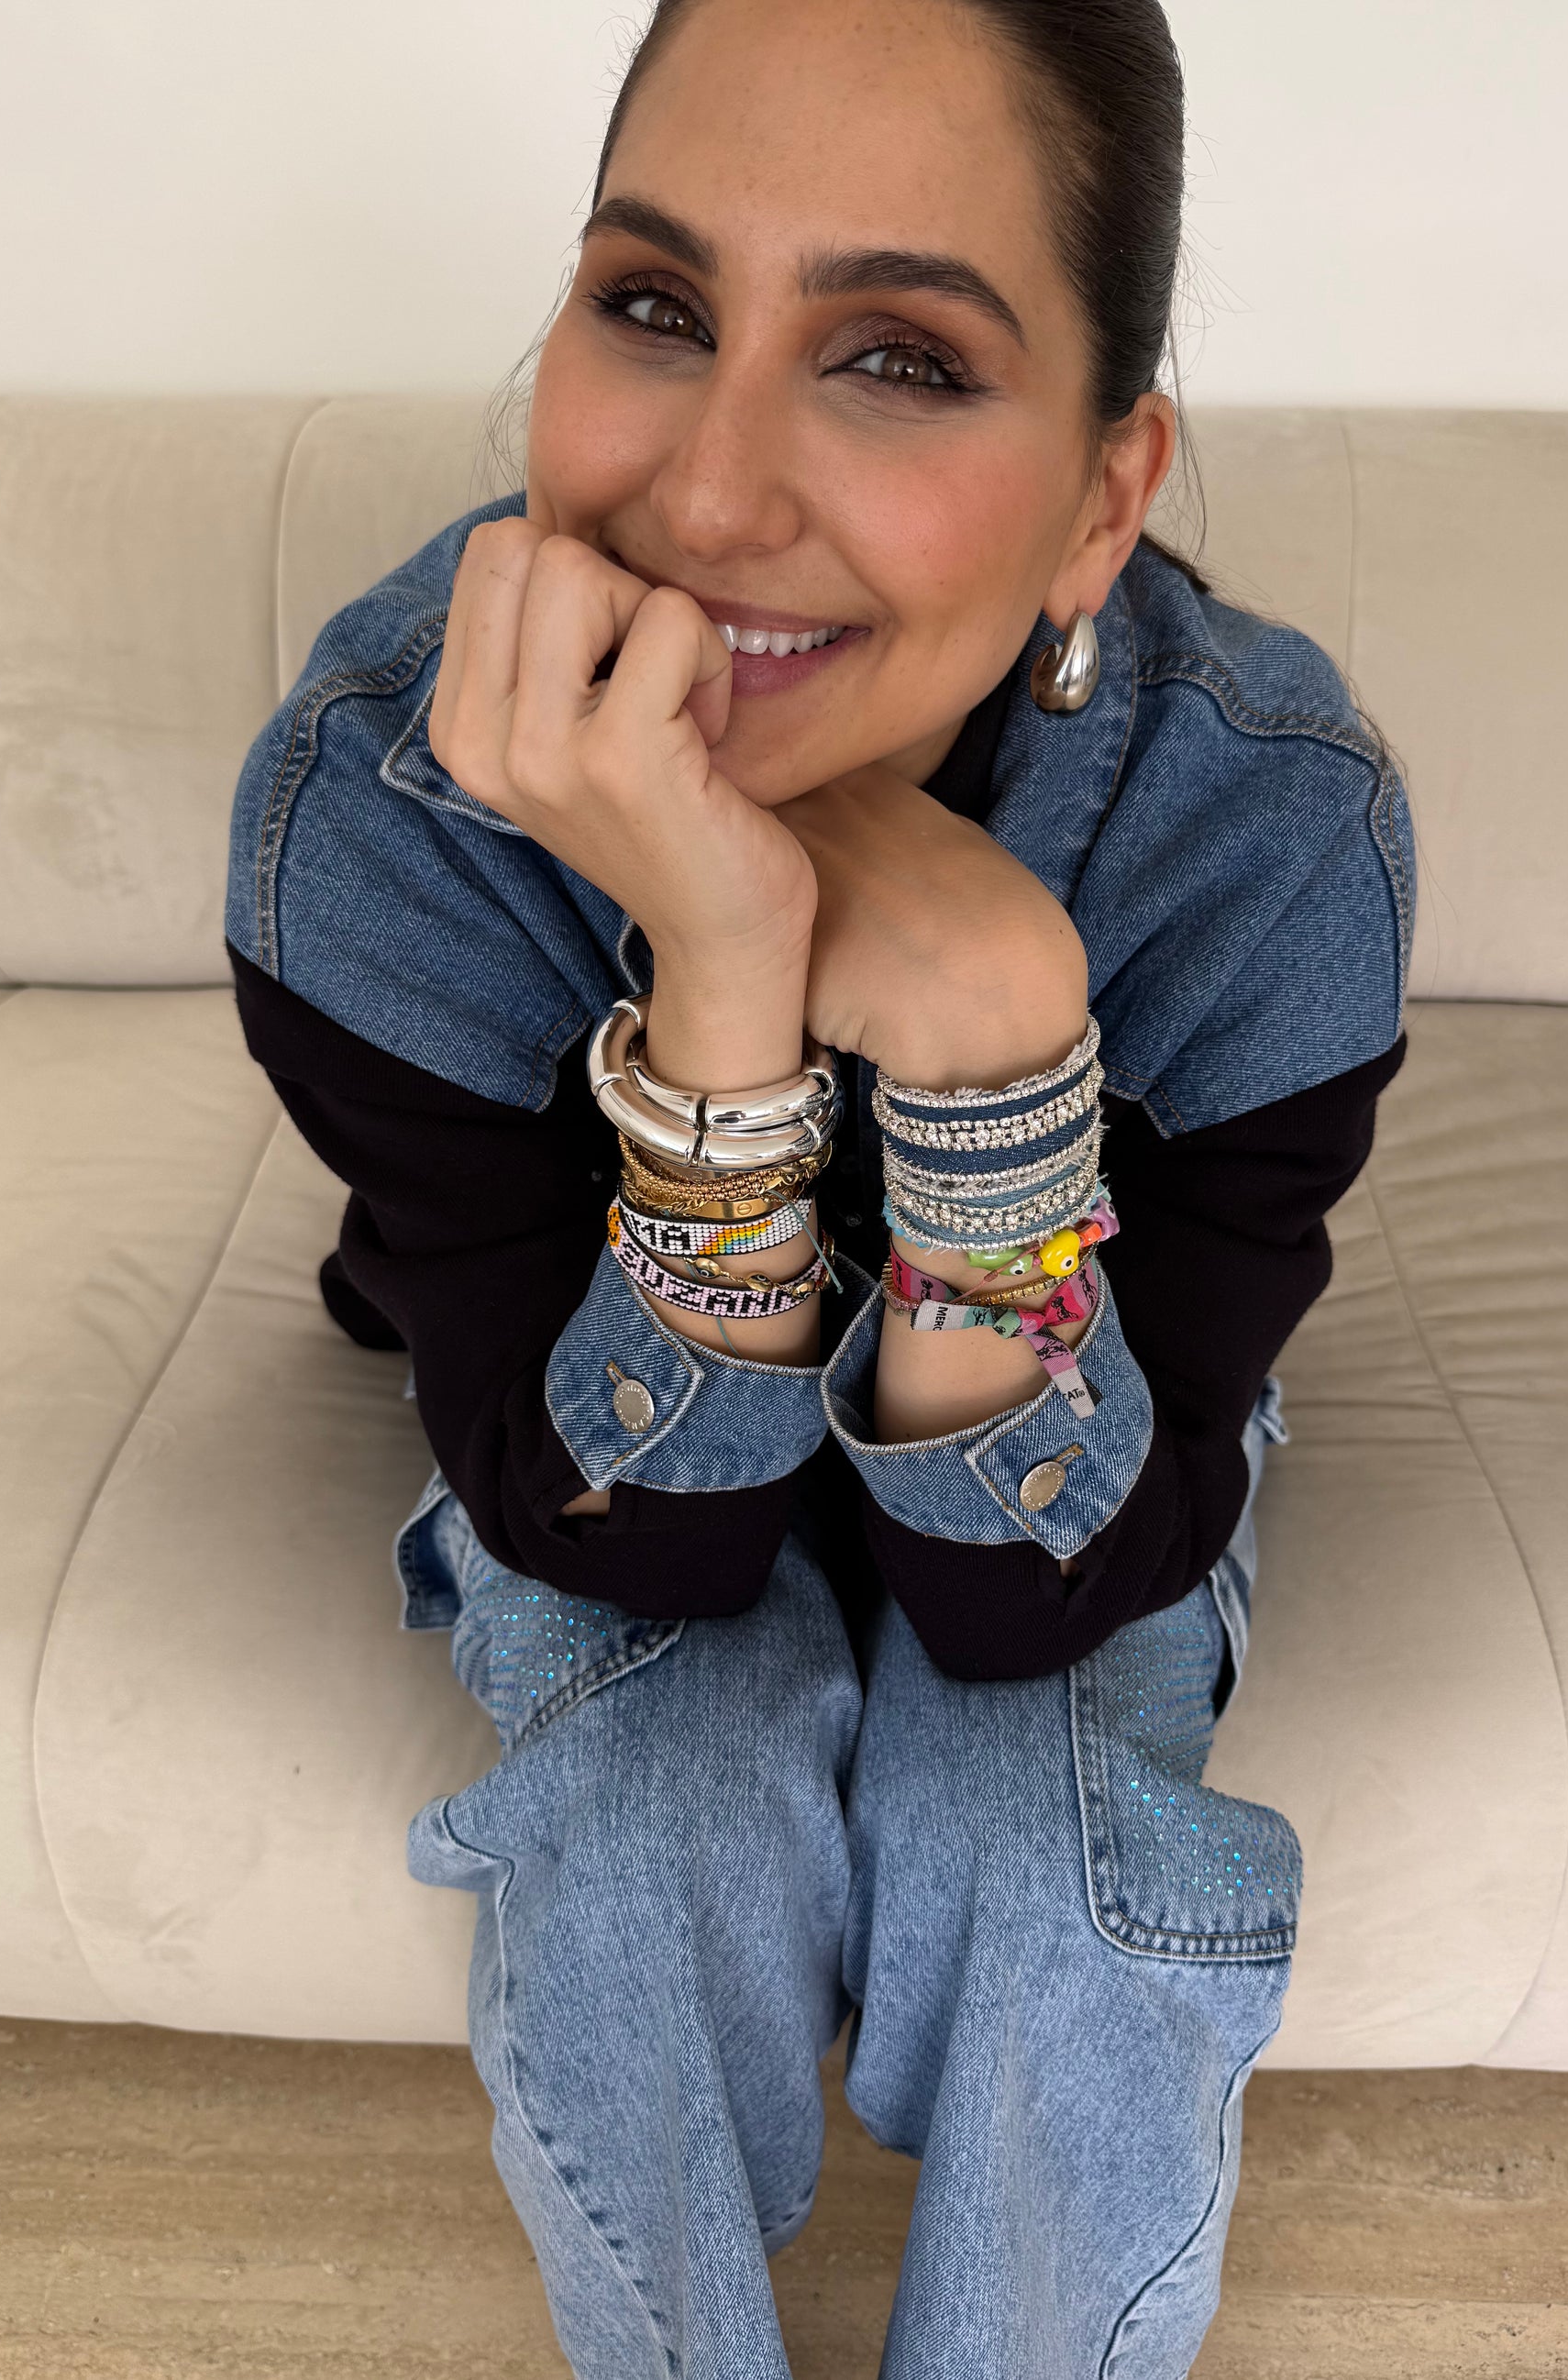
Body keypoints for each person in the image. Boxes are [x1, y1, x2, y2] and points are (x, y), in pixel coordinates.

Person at [226, 0, 1414, 2370]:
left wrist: (990, 1052)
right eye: (654, 305)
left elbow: (1024, 1597)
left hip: (1067, 1456)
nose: (706, 495)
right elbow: (642, 1546)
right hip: (599, 1421)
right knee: (645, 1819)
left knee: (1052, 1850)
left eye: (897, 358)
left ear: (1104, 497)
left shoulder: (1268, 835)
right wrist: (724, 975)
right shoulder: (376, 805)